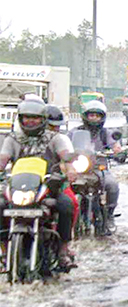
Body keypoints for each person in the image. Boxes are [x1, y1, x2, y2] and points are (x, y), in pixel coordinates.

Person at [0, 98, 77, 268]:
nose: (30, 121)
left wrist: (70, 168)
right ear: (20, 119)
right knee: (0, 204)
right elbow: (3, 159)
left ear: (43, 119)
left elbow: (66, 154)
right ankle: (4, 250)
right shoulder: (12, 139)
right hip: (18, 187)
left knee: (66, 204)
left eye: (34, 117)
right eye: (26, 117)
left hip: (48, 186)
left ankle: (64, 250)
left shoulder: (55, 138)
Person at [69, 100, 122, 229]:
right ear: (85, 116)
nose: (94, 118)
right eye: (91, 115)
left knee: (112, 185)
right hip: (78, 169)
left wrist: (118, 152)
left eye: (97, 115)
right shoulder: (74, 132)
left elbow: (116, 145)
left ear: (102, 117)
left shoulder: (106, 133)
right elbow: (64, 145)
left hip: (99, 169)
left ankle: (109, 214)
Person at [46, 105, 80, 231]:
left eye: (56, 126)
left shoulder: (60, 139)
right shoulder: (17, 138)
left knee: (70, 203)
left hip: (53, 182)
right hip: (23, 184)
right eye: (50, 126)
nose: (54, 129)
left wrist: (70, 169)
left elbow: (66, 156)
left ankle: (64, 243)